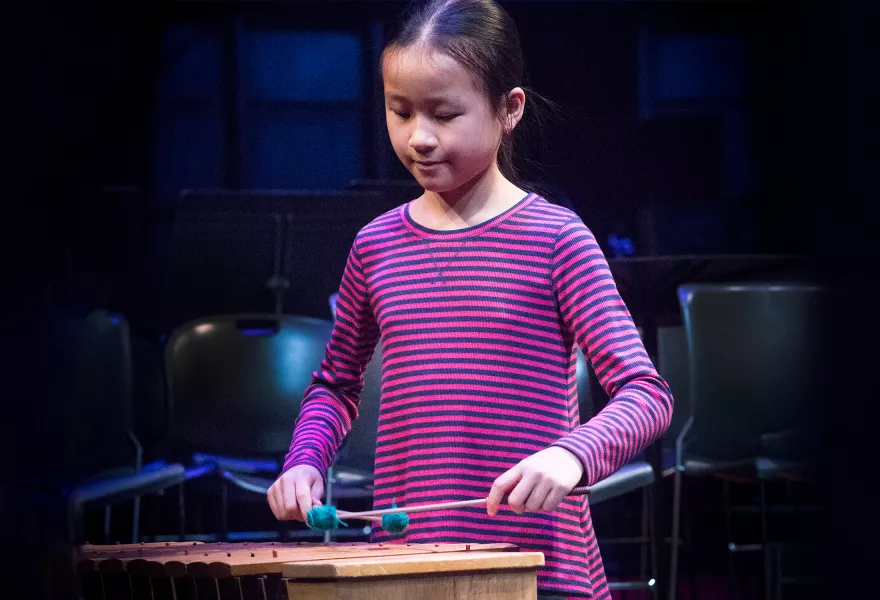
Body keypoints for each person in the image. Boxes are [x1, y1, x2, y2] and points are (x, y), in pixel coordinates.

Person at [267, 1, 673, 598]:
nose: (419, 137)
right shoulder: (376, 246)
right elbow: (336, 384)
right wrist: (306, 459)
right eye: (399, 111)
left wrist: (573, 457)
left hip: (538, 567)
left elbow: (646, 394)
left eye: (445, 114)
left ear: (509, 109)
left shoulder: (557, 239)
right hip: (409, 565)